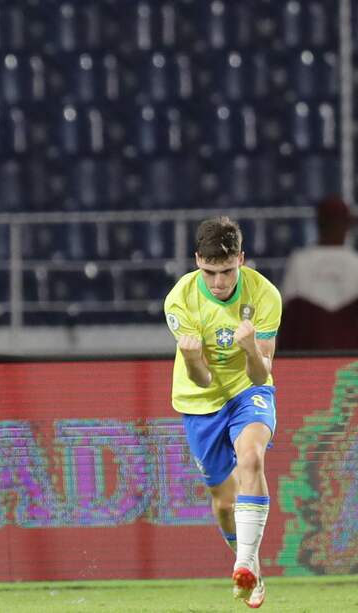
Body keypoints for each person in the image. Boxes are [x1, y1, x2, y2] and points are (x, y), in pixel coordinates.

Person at [163, 216, 281, 609]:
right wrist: (191, 356)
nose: (219, 282)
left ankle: (244, 562)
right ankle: (250, 565)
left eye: (228, 271)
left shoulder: (265, 296)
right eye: (210, 272)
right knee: (224, 502)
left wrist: (251, 348)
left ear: (241, 260)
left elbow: (261, 371)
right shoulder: (179, 300)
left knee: (252, 457)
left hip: (249, 389)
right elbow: (200, 378)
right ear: (197, 260)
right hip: (202, 400)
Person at [279, 195, 358, 350]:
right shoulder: (355, 262)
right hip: (350, 364)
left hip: (306, 359)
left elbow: (285, 319)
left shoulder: (299, 262)